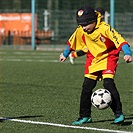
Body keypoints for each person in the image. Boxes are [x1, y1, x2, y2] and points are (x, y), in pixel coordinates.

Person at [59, 6, 132, 125]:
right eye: (81, 25)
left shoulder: (104, 28)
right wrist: (65, 53)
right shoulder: (81, 30)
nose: (83, 28)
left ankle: (118, 113)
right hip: (93, 59)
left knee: (108, 83)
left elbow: (119, 39)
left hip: (108, 57)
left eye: (85, 25)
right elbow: (72, 41)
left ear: (93, 21)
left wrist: (127, 53)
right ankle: (85, 116)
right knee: (86, 88)